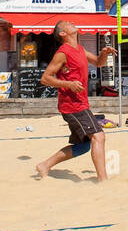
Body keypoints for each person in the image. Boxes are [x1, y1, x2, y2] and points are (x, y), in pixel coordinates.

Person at [35, 19, 117, 181]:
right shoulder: (63, 53)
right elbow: (45, 78)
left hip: (80, 103)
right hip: (72, 105)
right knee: (98, 136)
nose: (72, 23)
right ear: (63, 33)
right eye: (67, 23)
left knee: (83, 146)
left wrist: (104, 54)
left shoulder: (79, 49)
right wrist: (68, 84)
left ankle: (44, 165)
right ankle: (103, 180)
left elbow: (98, 63)